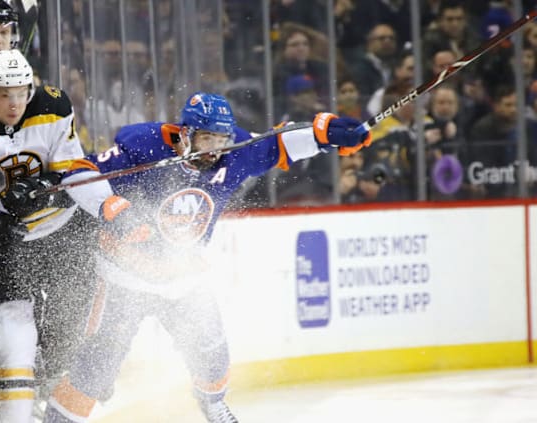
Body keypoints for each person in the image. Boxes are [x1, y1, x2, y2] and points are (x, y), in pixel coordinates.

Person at [41, 92, 372, 423]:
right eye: (207, 138)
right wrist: (110, 206)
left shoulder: (234, 153)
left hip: (183, 277)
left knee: (211, 351)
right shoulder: (144, 146)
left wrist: (326, 133)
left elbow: (278, 145)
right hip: (124, 277)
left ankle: (212, 404)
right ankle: (59, 418)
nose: (215, 148)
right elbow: (78, 173)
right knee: (99, 363)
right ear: (185, 133)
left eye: (221, 138)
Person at [0, 49, 136, 423]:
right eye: (3, 94)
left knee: (67, 331)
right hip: (13, 241)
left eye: (21, 92)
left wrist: (106, 206)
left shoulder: (53, 105)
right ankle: (15, 415)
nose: (15, 104)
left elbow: (73, 170)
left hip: (64, 228)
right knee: (15, 320)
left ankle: (51, 395)